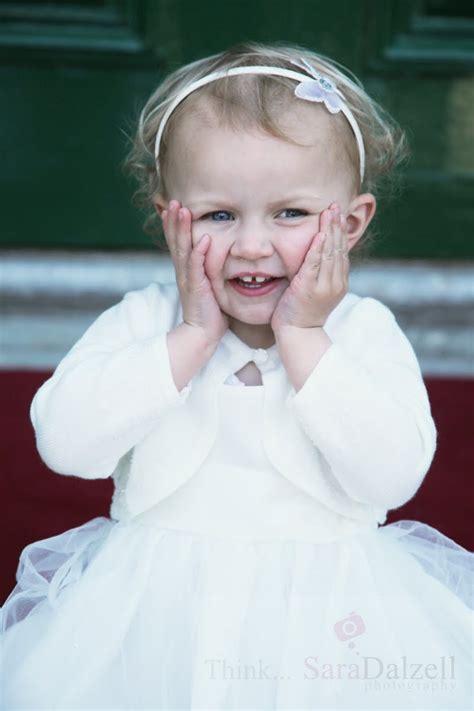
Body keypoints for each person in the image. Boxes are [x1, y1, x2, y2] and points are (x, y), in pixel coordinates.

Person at [1, 40, 472, 710]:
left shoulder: (363, 332)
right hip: (154, 616)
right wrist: (189, 339)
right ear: (171, 221)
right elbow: (66, 443)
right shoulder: (146, 320)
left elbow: (392, 474)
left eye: (291, 213)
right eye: (220, 215)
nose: (252, 245)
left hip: (328, 623)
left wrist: (305, 337)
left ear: (354, 222)